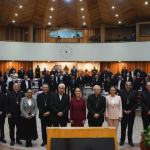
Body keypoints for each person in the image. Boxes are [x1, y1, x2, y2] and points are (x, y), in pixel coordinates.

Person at [119, 81, 137, 147]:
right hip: (123, 113)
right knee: (123, 127)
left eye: (129, 85)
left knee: (130, 127)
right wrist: (123, 110)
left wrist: (130, 110)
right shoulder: (120, 92)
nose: (128, 86)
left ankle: (130, 140)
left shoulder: (134, 92)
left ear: (131, 85)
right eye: (127, 85)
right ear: (125, 85)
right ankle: (122, 140)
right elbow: (119, 102)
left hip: (131, 113)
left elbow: (136, 103)